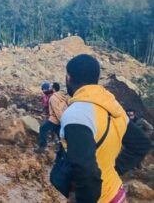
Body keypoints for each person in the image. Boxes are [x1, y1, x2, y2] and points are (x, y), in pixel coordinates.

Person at [58, 54, 150, 202]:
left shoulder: (76, 114)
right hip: (116, 193)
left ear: (68, 77)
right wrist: (113, 170)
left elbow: (85, 171)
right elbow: (141, 144)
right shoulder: (113, 107)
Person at [35, 82, 68, 154]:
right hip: (60, 119)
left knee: (43, 129)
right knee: (60, 135)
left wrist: (62, 121)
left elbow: (57, 111)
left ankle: (42, 146)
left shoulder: (53, 98)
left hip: (54, 119)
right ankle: (63, 150)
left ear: (53, 89)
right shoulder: (62, 97)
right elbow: (65, 108)